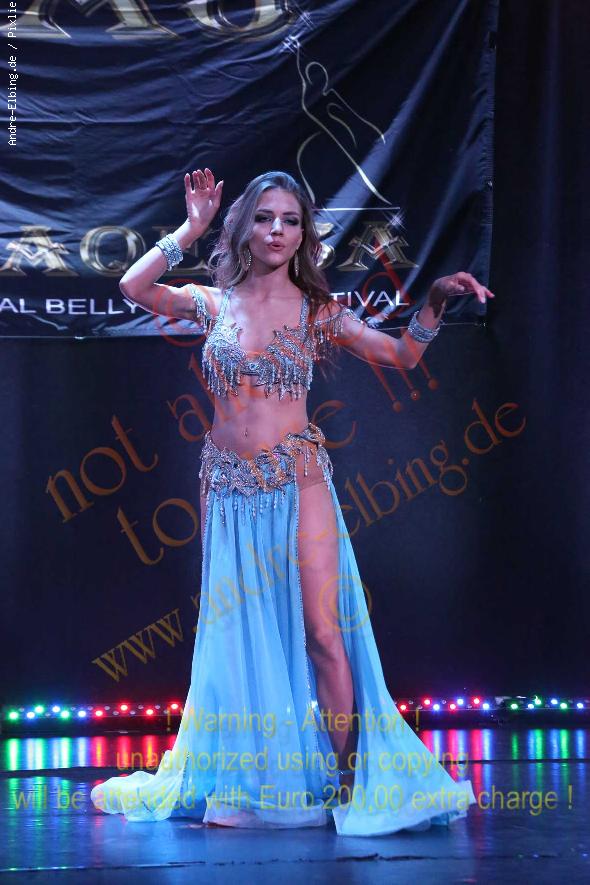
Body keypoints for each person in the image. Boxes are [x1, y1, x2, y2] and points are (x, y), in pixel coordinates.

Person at [90, 168, 494, 836]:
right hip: (226, 488)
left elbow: (401, 356)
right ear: (244, 227)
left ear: (305, 234)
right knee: (235, 634)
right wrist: (189, 228)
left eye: (291, 220)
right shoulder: (212, 303)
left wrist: (433, 303)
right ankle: (257, 777)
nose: (277, 230)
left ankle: (348, 785)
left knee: (324, 633)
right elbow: (133, 287)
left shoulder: (317, 311)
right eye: (265, 217)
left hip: (298, 478)